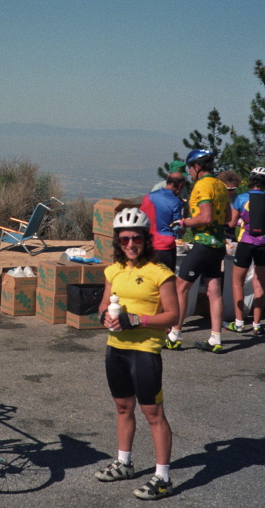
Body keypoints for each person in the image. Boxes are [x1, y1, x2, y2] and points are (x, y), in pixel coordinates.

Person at [93, 207, 179, 501]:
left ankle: (163, 477)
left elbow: (173, 315)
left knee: (153, 414)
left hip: (144, 352)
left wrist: (137, 320)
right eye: (125, 239)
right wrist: (104, 316)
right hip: (115, 348)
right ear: (118, 241)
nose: (131, 244)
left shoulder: (160, 273)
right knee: (122, 408)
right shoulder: (113, 271)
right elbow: (104, 304)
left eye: (137, 238)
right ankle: (124, 463)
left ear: (146, 239)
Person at [166, 149, 230, 353]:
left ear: (197, 167)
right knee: (214, 292)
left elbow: (206, 217)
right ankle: (216, 339)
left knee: (180, 287)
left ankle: (175, 335)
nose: (189, 173)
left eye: (190, 168)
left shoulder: (202, 186)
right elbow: (228, 217)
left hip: (203, 244)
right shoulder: (220, 185)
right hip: (219, 244)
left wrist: (184, 222)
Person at [227, 167, 265, 336]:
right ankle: (257, 324)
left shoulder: (242, 198)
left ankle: (239, 323)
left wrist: (241, 223)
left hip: (245, 243)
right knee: (259, 284)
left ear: (251, 181)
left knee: (237, 282)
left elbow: (231, 223)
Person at [140, 172, 185, 271]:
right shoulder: (175, 202)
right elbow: (177, 227)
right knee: (166, 282)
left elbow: (140, 219)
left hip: (147, 245)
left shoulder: (148, 196)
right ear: (180, 185)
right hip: (165, 247)